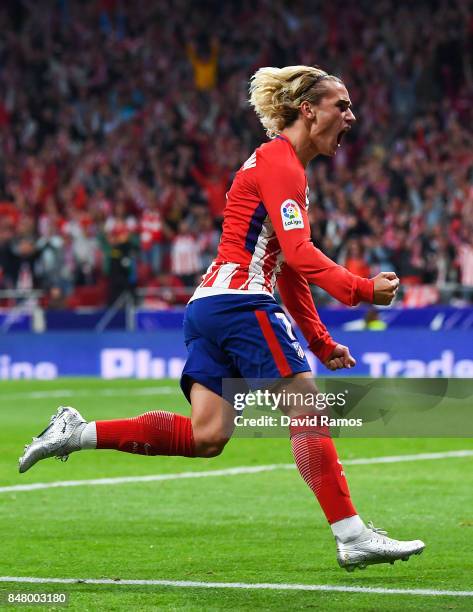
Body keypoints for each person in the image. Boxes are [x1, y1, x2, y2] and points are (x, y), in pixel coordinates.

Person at [19, 65, 424, 571]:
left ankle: (76, 432)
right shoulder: (283, 165)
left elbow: (290, 268)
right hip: (240, 304)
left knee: (206, 436)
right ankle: (352, 535)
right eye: (341, 105)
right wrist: (362, 289)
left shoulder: (279, 166)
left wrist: (320, 342)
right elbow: (298, 256)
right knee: (308, 408)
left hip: (208, 306)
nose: (351, 116)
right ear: (308, 110)